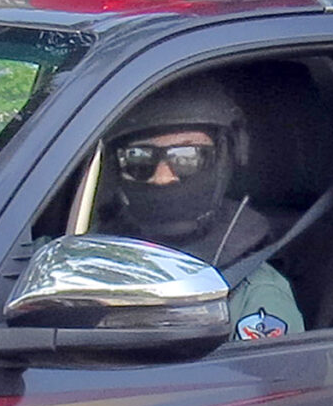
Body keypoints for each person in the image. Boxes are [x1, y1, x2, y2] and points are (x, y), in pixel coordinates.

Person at [97, 74, 303, 339]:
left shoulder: (256, 294)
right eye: (139, 158)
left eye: (187, 156)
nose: (163, 177)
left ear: (224, 159)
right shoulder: (89, 260)